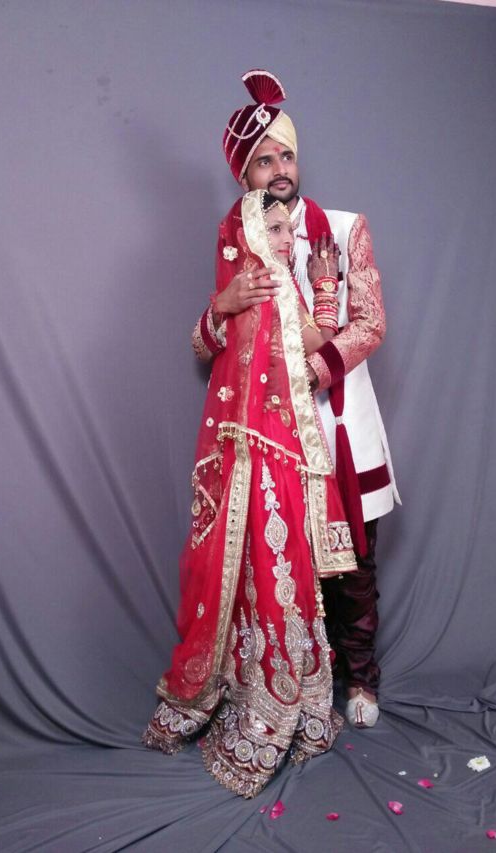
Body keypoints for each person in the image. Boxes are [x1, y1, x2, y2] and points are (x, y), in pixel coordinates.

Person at [192, 69, 401, 728]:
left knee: (354, 559)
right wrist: (221, 307)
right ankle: (300, 684)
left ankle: (361, 680)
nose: (280, 169)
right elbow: (208, 346)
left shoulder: (344, 227)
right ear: (244, 176)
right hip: (269, 432)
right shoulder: (240, 241)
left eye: (286, 154)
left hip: (339, 421)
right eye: (264, 160)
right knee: (287, 563)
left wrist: (311, 370)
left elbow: (371, 323)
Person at [143, 190, 359, 798]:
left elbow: (313, 342)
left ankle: (293, 697)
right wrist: (221, 305)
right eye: (278, 230)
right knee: (252, 572)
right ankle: (255, 698)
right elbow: (204, 344)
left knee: (286, 572)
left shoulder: (284, 285)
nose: (289, 240)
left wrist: (323, 286)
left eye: (290, 230)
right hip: (251, 455)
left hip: (288, 454)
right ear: (253, 233)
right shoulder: (252, 283)